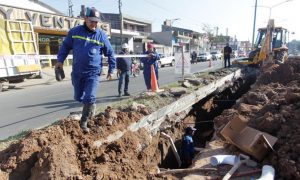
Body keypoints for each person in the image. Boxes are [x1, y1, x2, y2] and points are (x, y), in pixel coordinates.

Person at [55, 7, 116, 133]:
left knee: (90, 96)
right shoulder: (75, 32)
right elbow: (65, 47)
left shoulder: (101, 35)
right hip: (77, 72)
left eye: (96, 22)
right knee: (79, 97)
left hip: (93, 73)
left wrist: (111, 69)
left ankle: (84, 122)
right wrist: (60, 61)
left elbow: (110, 53)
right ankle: (90, 105)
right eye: (91, 21)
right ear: (85, 18)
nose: (94, 24)